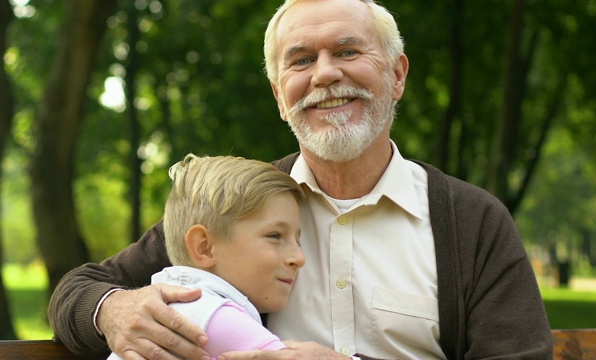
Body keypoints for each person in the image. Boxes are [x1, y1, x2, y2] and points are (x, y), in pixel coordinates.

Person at [48, 0, 554, 359]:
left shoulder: (472, 221)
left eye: (348, 51)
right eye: (302, 60)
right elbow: (78, 289)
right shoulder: (236, 205)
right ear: (278, 94)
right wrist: (115, 310)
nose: (325, 74)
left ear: (397, 75)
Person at [106, 154, 306, 359]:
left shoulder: (181, 307)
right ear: (204, 247)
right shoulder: (217, 318)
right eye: (274, 236)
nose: (299, 258)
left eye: (298, 241)